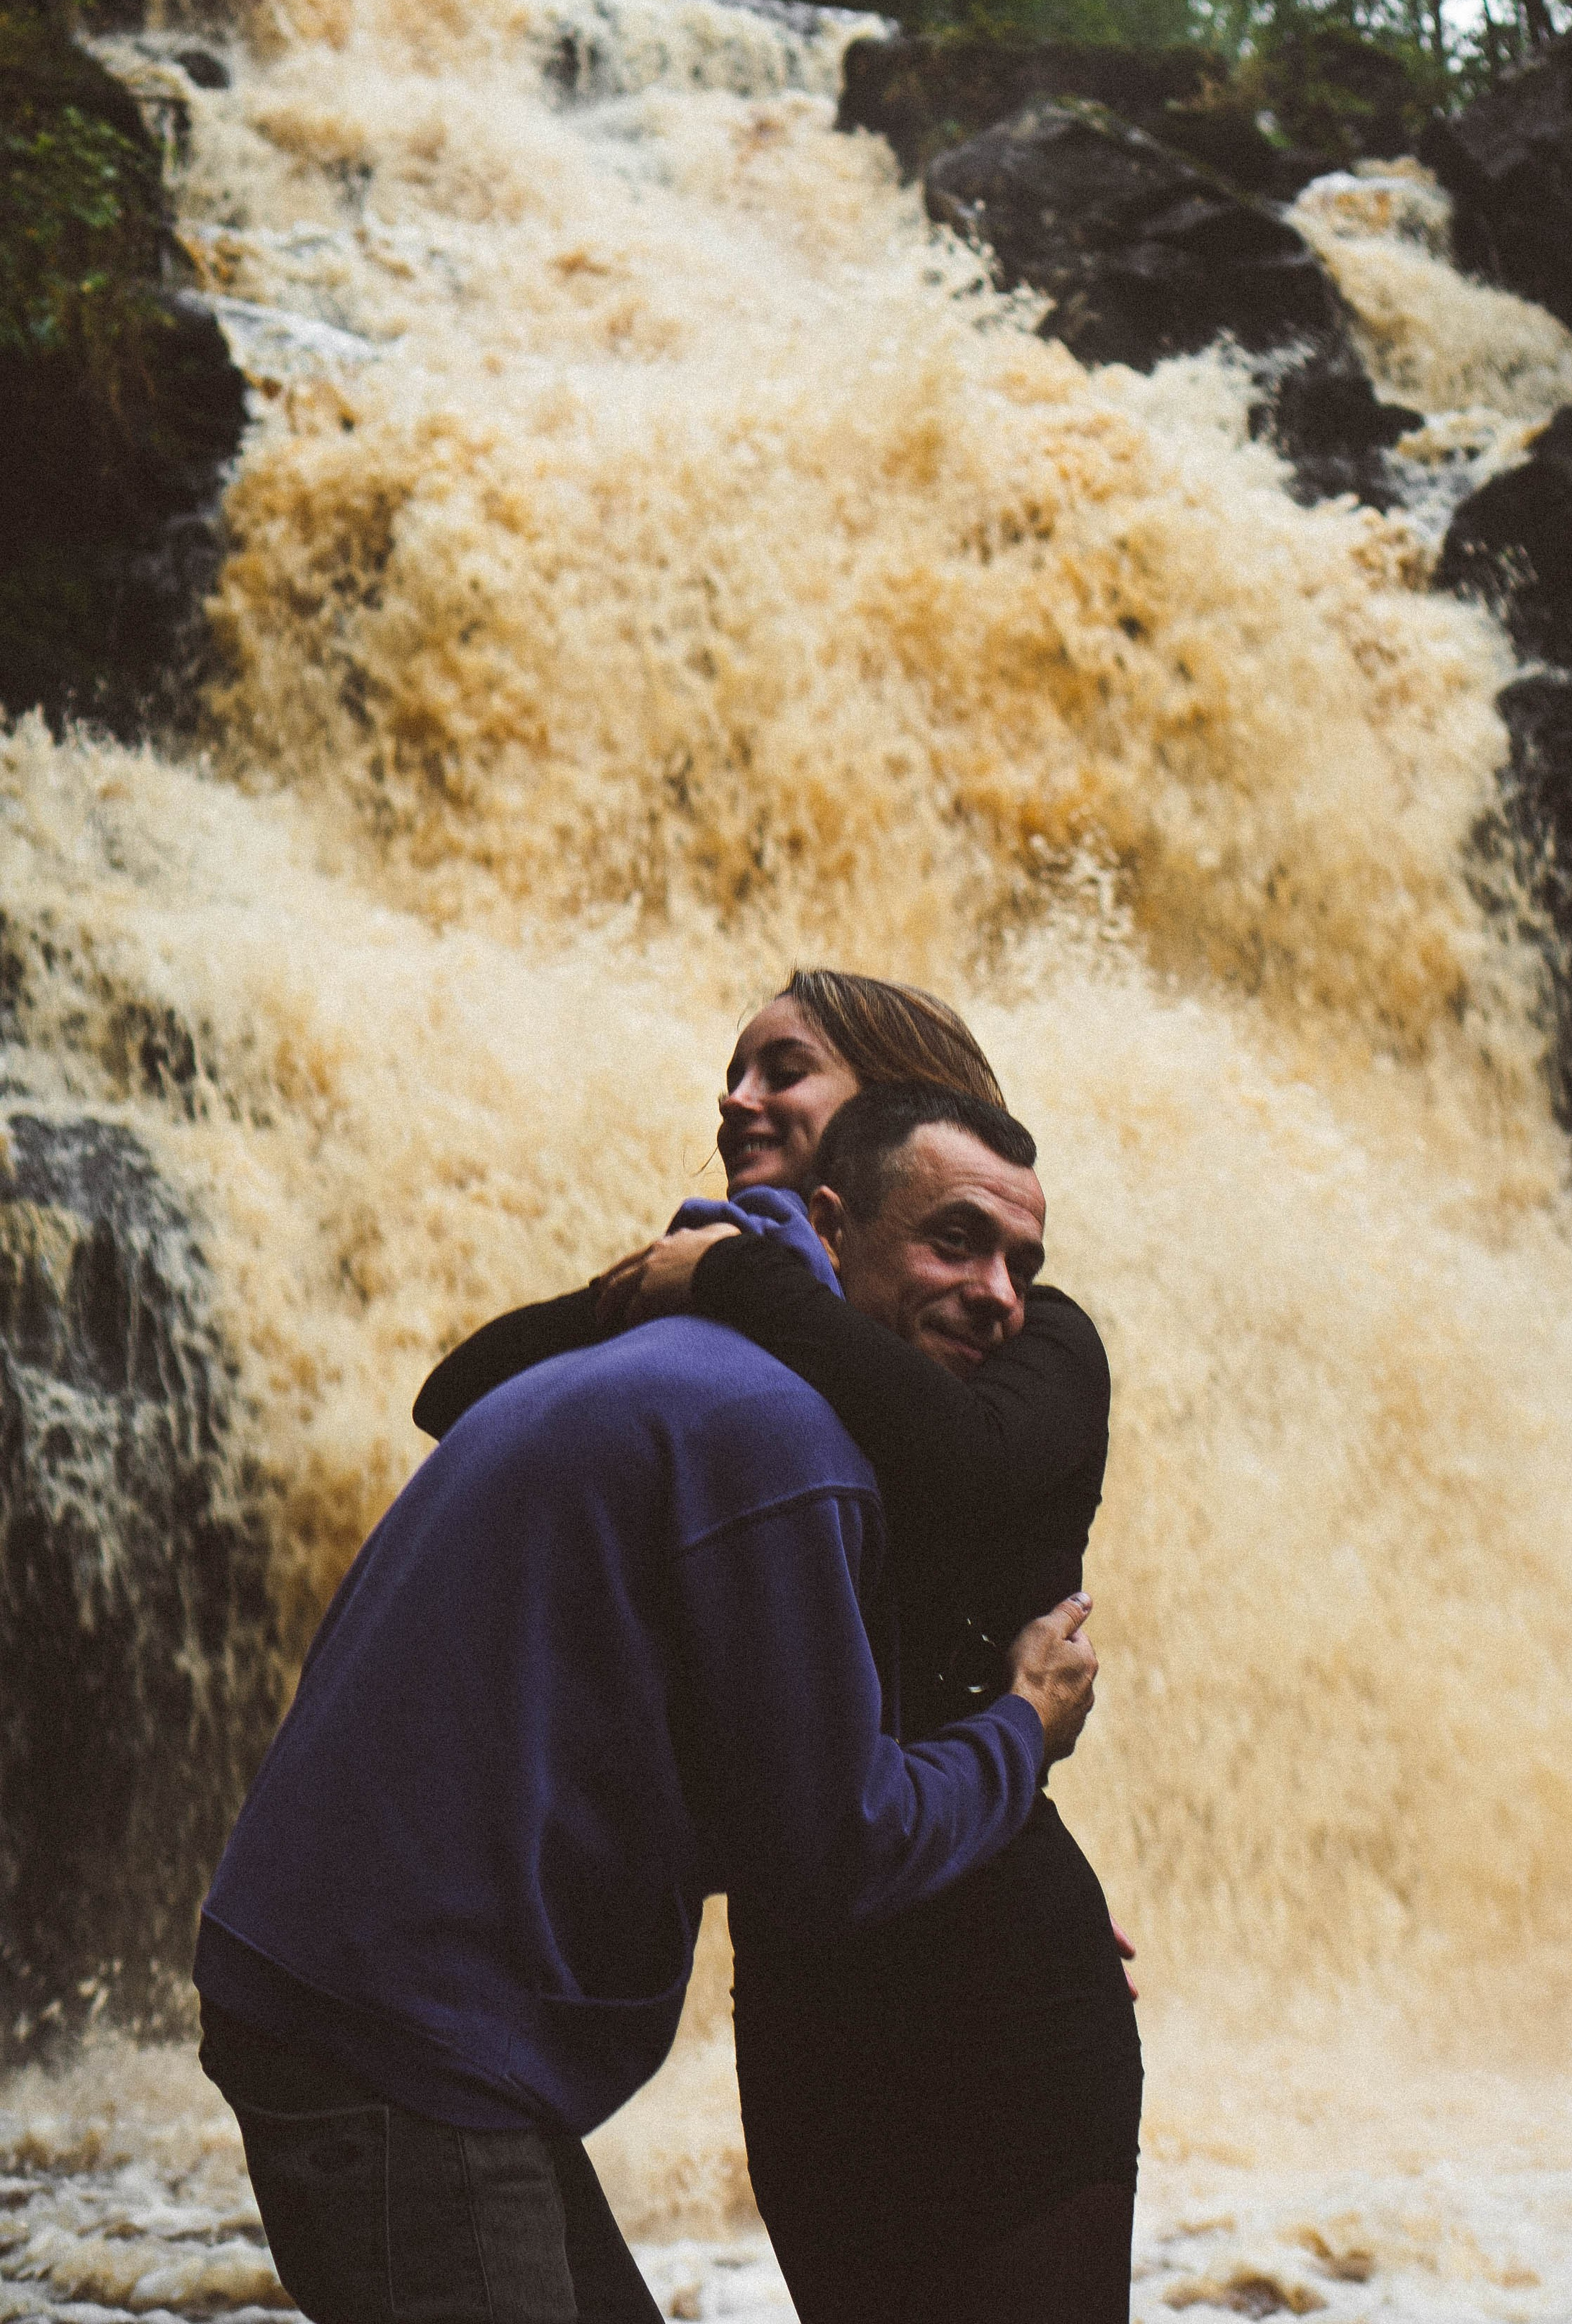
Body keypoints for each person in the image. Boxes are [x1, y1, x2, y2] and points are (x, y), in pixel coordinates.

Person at [194, 1104, 1099, 2324]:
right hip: (398, 2038)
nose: (999, 1296)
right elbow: (838, 1848)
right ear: (830, 1227)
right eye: (953, 1241)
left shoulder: (693, 1369)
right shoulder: (784, 1441)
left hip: (380, 1997)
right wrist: (1022, 1729)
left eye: (1021, 1266)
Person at [415, 973, 1142, 2324]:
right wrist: (686, 1289)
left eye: (784, 1069)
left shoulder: (1035, 1341)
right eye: (736, 1071)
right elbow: (460, 1398)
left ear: (901, 1103)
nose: (736, 1099)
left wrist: (737, 1273)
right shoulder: (735, 1327)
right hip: (812, 1997)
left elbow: (958, 1461)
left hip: (994, 1979)